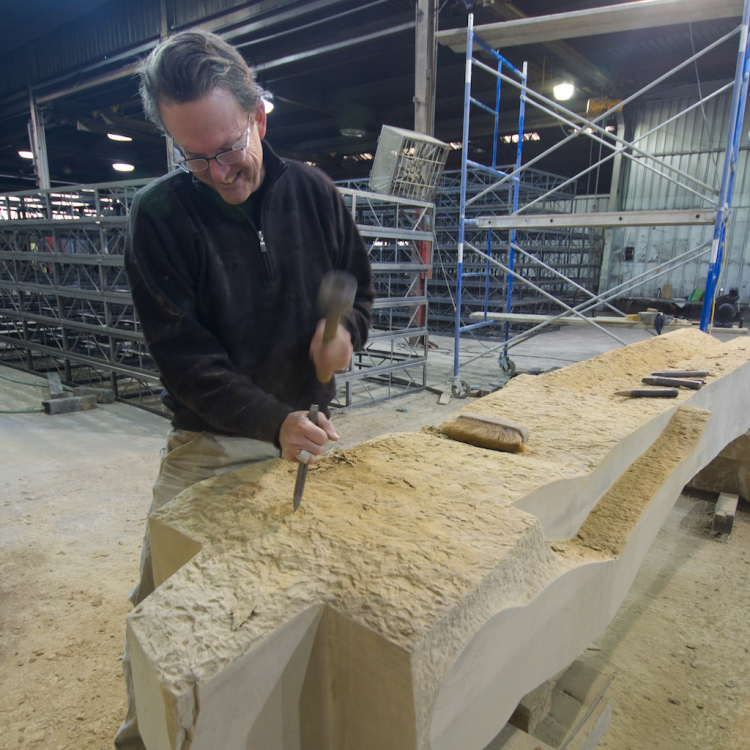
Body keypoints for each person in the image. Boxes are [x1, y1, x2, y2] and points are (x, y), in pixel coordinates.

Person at [114, 29, 373, 749]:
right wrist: (273, 420)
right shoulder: (160, 218)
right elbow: (185, 360)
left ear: (260, 113)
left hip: (307, 439)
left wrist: (346, 333)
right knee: (160, 609)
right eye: (192, 155)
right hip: (211, 441)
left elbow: (360, 293)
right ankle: (143, 740)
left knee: (301, 601)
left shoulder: (315, 194)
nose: (216, 170)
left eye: (227, 147)